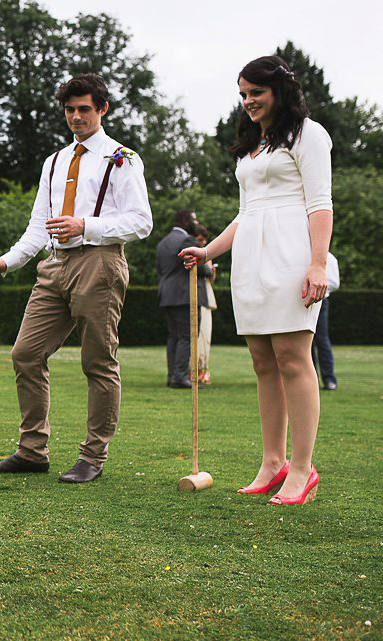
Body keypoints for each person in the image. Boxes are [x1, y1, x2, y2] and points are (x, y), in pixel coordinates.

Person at [0, 73, 152, 483]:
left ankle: (92, 456)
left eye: (84, 109)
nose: (76, 117)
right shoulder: (54, 161)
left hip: (100, 263)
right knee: (25, 353)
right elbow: (39, 224)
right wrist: (7, 261)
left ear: (102, 109)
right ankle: (32, 451)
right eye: (70, 110)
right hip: (54, 265)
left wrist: (85, 226)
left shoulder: (122, 158)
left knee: (97, 362)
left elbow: (141, 221)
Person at [180, 55, 332, 506]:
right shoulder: (254, 144)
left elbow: (320, 204)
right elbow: (246, 215)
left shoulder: (310, 135)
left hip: (292, 253)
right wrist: (207, 250)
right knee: (262, 361)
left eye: (256, 93)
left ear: (279, 91)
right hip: (251, 258)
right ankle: (272, 462)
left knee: (292, 356)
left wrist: (318, 263)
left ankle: (302, 469)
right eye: (243, 94)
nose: (248, 101)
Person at [155, 210, 211, 389]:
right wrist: (209, 269)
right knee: (186, 336)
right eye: (194, 220)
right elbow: (201, 269)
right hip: (185, 296)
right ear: (186, 221)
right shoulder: (187, 241)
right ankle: (179, 377)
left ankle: (172, 375)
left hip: (166, 295)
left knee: (174, 337)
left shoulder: (162, 243)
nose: (196, 223)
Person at [312, 251, 340, 390]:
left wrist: (317, 284)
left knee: (322, 340)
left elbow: (335, 283)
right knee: (306, 343)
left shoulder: (329, 258)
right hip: (303, 301)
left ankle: (329, 379)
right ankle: (312, 380)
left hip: (321, 302)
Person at [194, 224, 218, 385]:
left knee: (206, 337)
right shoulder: (193, 254)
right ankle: (195, 371)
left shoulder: (208, 255)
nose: (202, 244)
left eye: (204, 241)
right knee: (199, 336)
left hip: (207, 296)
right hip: (197, 297)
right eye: (200, 240)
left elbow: (210, 279)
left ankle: (203, 370)